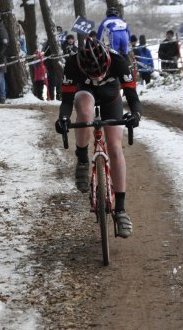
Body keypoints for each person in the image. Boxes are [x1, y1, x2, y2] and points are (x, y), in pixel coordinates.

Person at [54, 37, 142, 238]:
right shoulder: (72, 63)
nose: (98, 77)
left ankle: (120, 209)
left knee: (114, 146)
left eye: (102, 73)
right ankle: (83, 160)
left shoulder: (119, 61)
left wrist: (135, 115)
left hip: (111, 97)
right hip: (85, 93)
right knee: (85, 113)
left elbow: (133, 97)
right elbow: (67, 101)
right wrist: (64, 118)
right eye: (92, 74)